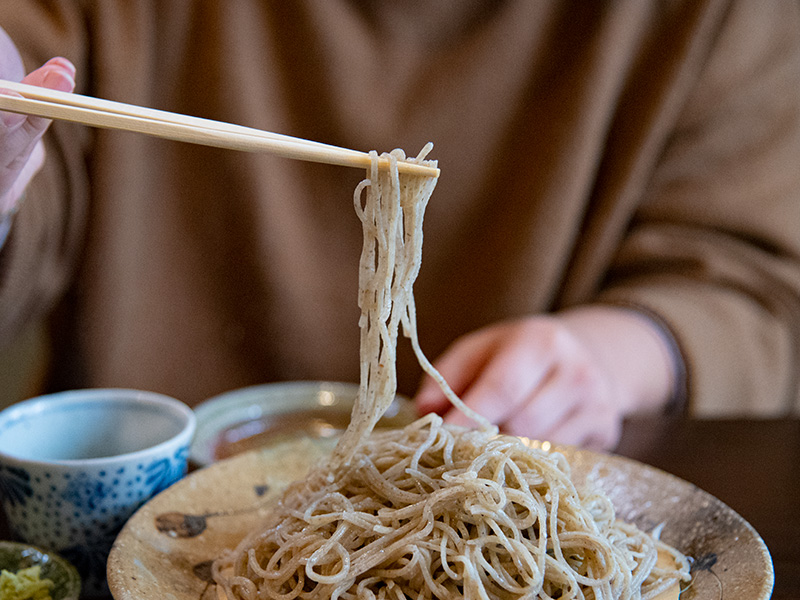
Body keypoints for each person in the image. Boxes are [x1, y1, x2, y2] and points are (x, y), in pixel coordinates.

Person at [1, 1, 799, 450]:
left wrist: (610, 356)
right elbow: (39, 162)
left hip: (528, 497)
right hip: (135, 507)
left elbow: (753, 287)